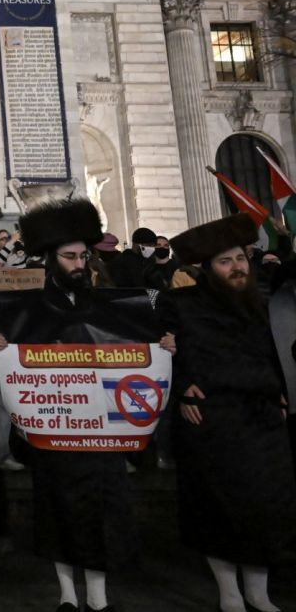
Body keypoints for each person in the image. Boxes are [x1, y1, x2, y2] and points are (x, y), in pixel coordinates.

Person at [0, 199, 135, 612]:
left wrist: (160, 347)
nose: (78, 263)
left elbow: (129, 349)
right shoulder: (28, 305)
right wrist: (5, 348)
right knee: (58, 509)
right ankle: (67, 594)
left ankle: (99, 596)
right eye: (69, 256)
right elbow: (18, 361)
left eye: (82, 255)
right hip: (55, 427)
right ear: (51, 259)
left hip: (101, 428)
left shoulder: (107, 301)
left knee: (102, 511)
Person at [158, 213, 296, 612]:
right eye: (225, 261)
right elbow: (161, 351)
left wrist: (280, 394)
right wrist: (182, 384)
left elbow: (273, 351)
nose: (237, 267)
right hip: (210, 417)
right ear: (206, 268)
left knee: (266, 506)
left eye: (239, 258)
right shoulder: (178, 303)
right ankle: (229, 593)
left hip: (262, 415)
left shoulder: (261, 296)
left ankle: (258, 591)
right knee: (217, 506)